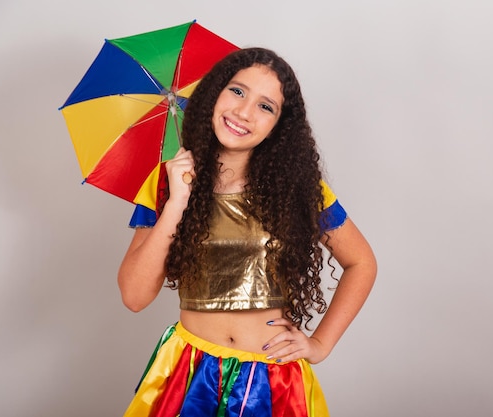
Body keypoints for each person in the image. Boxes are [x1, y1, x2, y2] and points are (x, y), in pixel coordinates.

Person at [118, 47, 377, 417]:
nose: (243, 112)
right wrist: (176, 203)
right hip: (188, 374)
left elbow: (362, 262)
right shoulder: (165, 182)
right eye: (237, 92)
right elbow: (134, 296)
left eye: (265, 106)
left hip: (271, 384)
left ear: (279, 125)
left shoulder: (299, 188)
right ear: (214, 94)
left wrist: (320, 343)